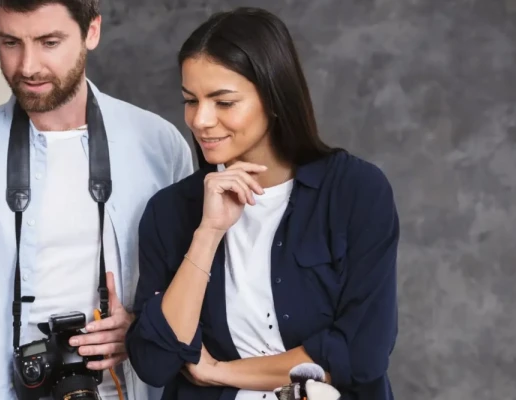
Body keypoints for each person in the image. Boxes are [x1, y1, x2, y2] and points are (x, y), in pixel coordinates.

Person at [0, 1, 195, 399]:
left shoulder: (161, 146)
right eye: (10, 42)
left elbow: (190, 281)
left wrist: (146, 332)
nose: (28, 66)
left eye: (49, 42)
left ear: (91, 32)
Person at [125, 6, 399, 400]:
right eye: (190, 100)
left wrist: (219, 372)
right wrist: (208, 233)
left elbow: (361, 356)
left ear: (273, 97)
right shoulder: (170, 211)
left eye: (223, 102)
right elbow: (156, 361)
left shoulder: (356, 191)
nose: (200, 120)